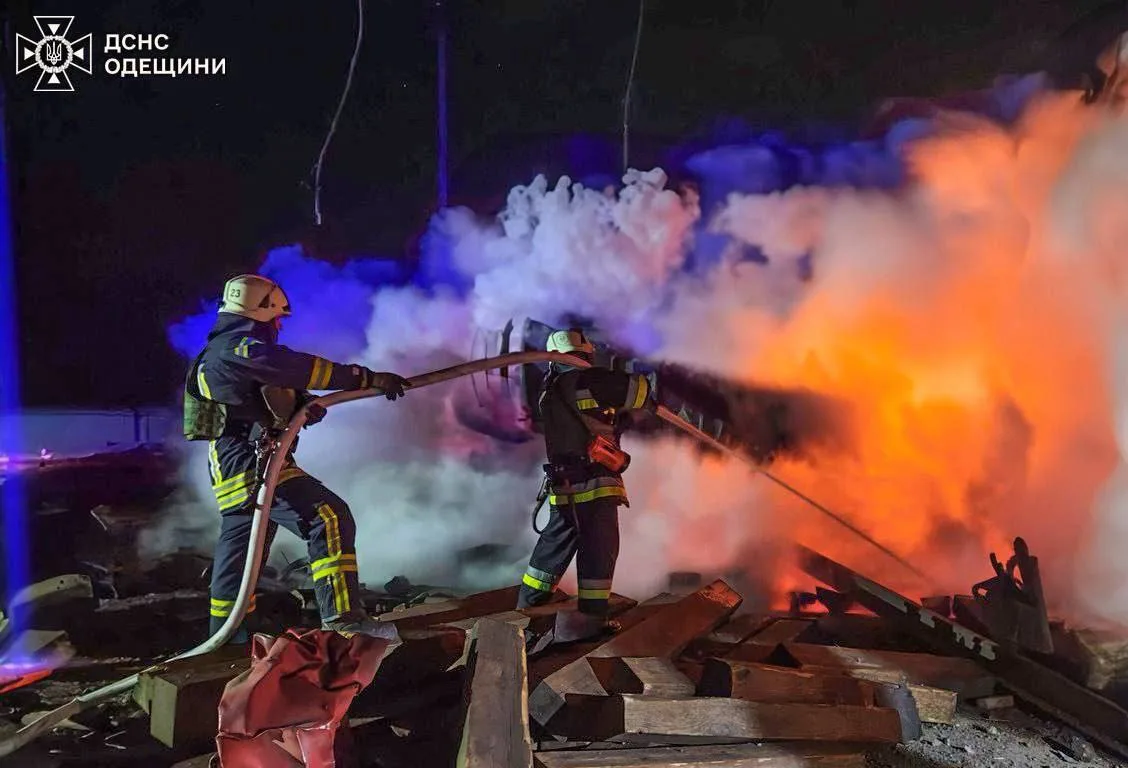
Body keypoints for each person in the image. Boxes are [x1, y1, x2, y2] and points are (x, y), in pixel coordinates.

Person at [183, 274, 410, 641]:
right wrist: (366, 377)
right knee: (328, 517)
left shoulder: (225, 351)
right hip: (251, 464)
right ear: (259, 313)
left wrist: (300, 406)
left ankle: (228, 639)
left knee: (242, 556)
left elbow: (259, 397)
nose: (279, 326)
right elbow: (296, 367)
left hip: (241, 463)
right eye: (276, 318)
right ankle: (344, 622)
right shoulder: (238, 349)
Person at [516, 327, 657, 637]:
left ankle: (526, 609)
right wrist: (651, 385)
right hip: (596, 484)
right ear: (587, 355)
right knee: (599, 552)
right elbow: (639, 392)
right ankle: (592, 620)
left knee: (553, 549)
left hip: (565, 485)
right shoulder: (590, 381)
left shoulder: (550, 390)